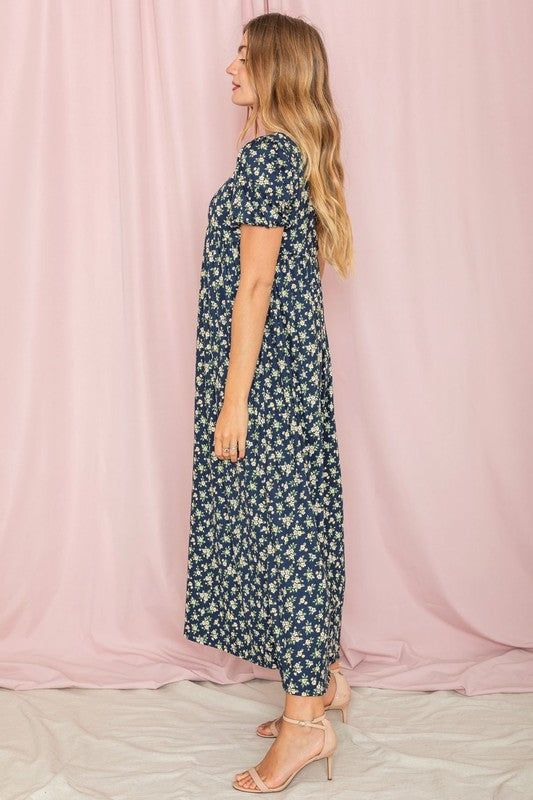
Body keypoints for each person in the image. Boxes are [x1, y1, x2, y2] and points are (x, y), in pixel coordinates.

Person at [183, 11, 354, 793]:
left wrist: (234, 400)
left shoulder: (267, 158)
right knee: (298, 528)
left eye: (244, 58)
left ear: (276, 71)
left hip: (269, 387)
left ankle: (302, 728)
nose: (230, 68)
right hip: (293, 382)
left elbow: (254, 284)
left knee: (287, 544)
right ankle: (322, 682)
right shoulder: (285, 155)